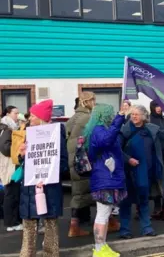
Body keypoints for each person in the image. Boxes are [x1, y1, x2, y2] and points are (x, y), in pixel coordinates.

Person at [118, 105, 164, 239]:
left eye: (137, 114)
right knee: (126, 201)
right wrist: (128, 159)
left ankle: (146, 228)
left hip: (145, 171)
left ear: (144, 116)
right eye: (132, 114)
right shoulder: (124, 130)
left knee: (144, 199)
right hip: (127, 171)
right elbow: (117, 149)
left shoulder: (151, 129)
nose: (134, 116)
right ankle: (124, 230)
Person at [19, 99, 68, 256]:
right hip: (29, 186)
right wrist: (22, 155)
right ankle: (26, 253)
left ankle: (51, 253)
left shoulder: (56, 136)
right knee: (28, 223)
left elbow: (63, 163)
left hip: (48, 186)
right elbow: (24, 162)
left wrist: (48, 172)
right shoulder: (29, 134)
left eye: (33, 116)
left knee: (50, 223)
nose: (30, 119)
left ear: (40, 118)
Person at [83, 104, 127, 257]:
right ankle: (99, 249)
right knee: (102, 213)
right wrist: (120, 117)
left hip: (106, 176)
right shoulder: (99, 130)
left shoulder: (97, 129)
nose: (112, 116)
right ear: (104, 115)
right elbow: (107, 141)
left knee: (105, 212)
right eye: (111, 113)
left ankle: (102, 245)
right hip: (105, 177)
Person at [66, 91, 96, 237]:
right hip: (84, 159)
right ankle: (75, 227)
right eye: (93, 100)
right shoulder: (88, 117)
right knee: (84, 193)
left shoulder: (73, 118)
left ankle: (76, 225)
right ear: (88, 101)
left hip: (73, 160)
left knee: (78, 191)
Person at [0, 107, 22, 232]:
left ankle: (12, 222)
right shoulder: (7, 129)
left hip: (9, 165)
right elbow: (5, 148)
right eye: (15, 113)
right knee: (11, 194)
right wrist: (19, 149)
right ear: (8, 114)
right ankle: (11, 223)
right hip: (9, 166)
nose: (17, 115)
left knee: (12, 193)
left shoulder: (7, 127)